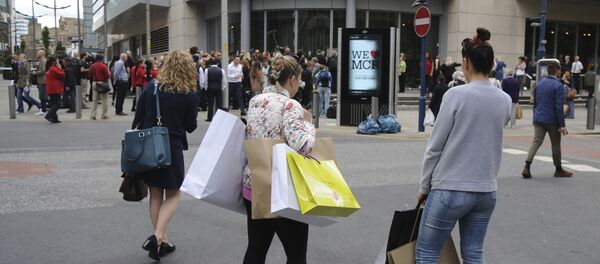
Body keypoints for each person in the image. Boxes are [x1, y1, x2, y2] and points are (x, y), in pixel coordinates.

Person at [416, 28, 512, 263]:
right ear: (491, 65)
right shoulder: (505, 100)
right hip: (486, 191)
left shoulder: (455, 95)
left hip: (450, 188)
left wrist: (424, 186)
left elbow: (435, 147)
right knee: (474, 253)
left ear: (466, 63)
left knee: (427, 253)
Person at [243, 54, 315, 264]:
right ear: (292, 79)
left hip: (255, 184)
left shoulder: (255, 100)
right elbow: (302, 145)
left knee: (256, 249)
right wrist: (308, 124)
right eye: (298, 82)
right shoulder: (290, 105)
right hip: (283, 189)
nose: (298, 87)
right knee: (296, 255)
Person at [135, 50, 198, 261]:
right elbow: (190, 127)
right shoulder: (189, 94)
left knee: (155, 194)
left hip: (150, 146)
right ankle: (158, 236)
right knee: (173, 195)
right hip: (172, 148)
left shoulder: (151, 87)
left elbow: (139, 117)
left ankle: (161, 242)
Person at [521, 61, 573, 179]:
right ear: (557, 71)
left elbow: (536, 102)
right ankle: (558, 169)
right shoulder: (558, 86)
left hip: (539, 117)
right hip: (552, 120)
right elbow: (558, 107)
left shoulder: (539, 84)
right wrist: (562, 125)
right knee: (555, 144)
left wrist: (535, 117)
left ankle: (527, 166)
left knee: (536, 141)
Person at [44, 57, 65, 124]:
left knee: (53, 103)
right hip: (55, 88)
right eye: (57, 61)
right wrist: (60, 67)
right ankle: (48, 115)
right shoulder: (53, 68)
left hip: (51, 88)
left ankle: (54, 118)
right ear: (54, 62)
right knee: (58, 104)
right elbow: (62, 74)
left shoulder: (49, 68)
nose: (58, 62)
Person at [90, 55, 111, 120]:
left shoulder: (92, 66)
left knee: (95, 100)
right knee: (104, 100)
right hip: (102, 83)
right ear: (102, 59)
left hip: (95, 83)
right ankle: (104, 115)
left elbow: (90, 75)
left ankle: (93, 115)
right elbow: (107, 76)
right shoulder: (103, 66)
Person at [32, 50, 48, 115]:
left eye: (38, 53)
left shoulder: (44, 61)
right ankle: (44, 109)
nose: (37, 54)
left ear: (41, 54)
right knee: (42, 96)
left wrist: (35, 73)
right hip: (41, 80)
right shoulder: (41, 61)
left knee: (42, 96)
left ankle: (44, 110)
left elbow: (44, 70)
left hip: (43, 81)